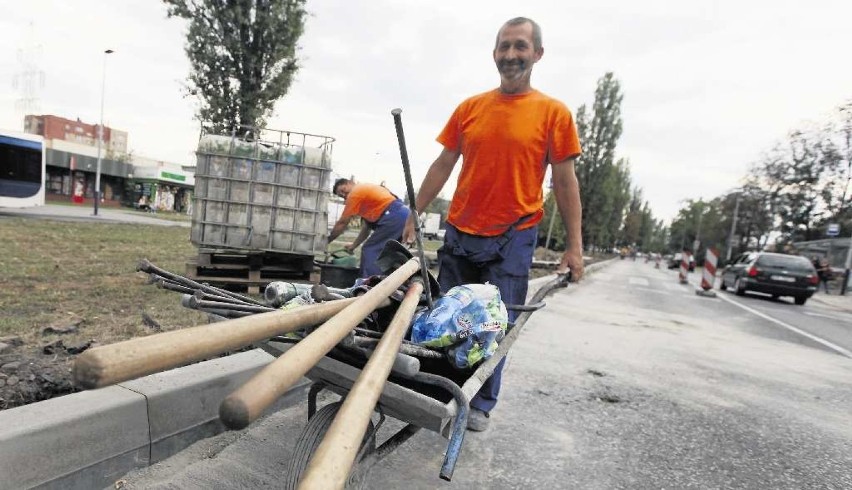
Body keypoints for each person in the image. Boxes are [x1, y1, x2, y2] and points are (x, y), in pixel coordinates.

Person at [402, 17, 584, 431]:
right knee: (446, 316)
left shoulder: (554, 113)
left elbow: (566, 181)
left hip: (514, 233)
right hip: (462, 229)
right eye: (504, 47)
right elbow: (444, 163)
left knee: (494, 320)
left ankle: (480, 401)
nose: (510, 55)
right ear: (494, 53)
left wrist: (574, 246)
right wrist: (416, 209)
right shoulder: (470, 108)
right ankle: (442, 388)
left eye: (520, 46)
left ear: (537, 54)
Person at [328, 178, 410, 277]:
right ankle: (394, 283)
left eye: (343, 190)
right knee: (388, 255)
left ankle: (369, 285)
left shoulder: (356, 192)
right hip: (404, 215)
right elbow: (366, 228)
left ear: (350, 183)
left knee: (370, 250)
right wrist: (354, 245)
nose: (344, 195)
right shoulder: (366, 195)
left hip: (394, 216)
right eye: (341, 195)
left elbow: (342, 222)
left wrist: (328, 240)